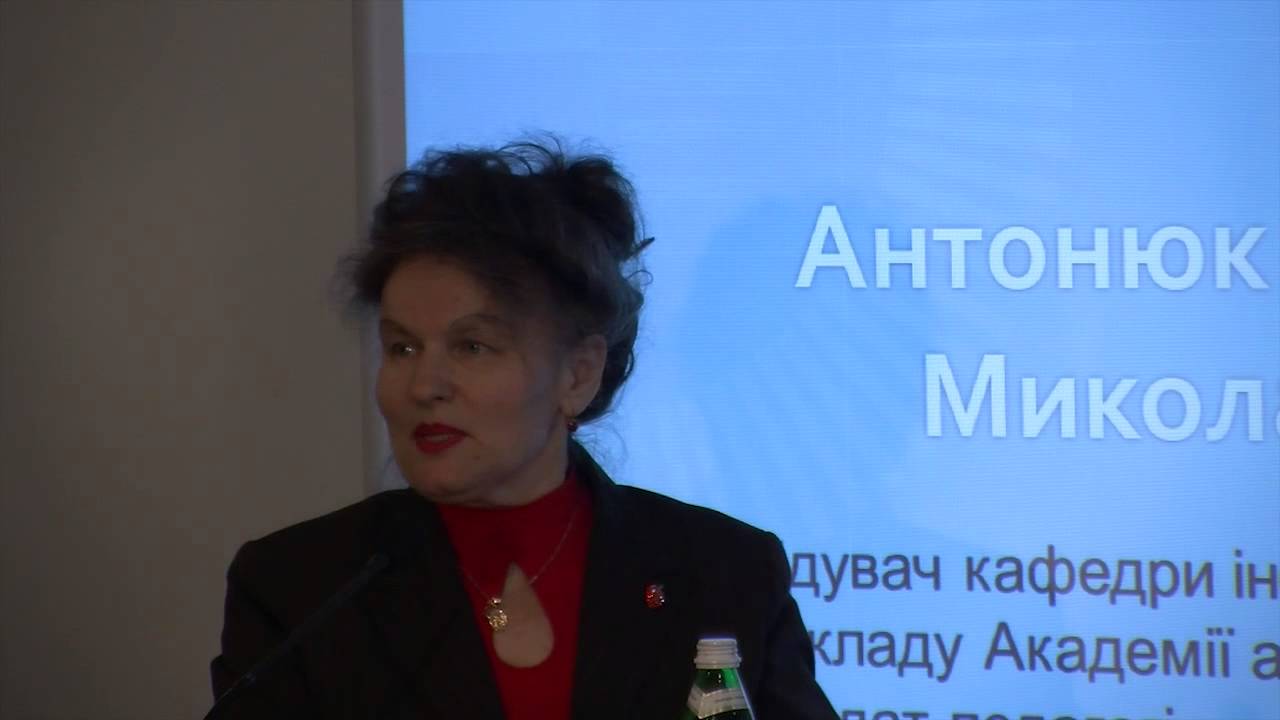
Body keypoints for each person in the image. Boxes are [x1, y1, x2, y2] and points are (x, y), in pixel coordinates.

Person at [209, 138, 838, 719]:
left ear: (578, 374)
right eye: (402, 348)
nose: (424, 385)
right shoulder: (301, 589)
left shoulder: (723, 573)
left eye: (472, 346)